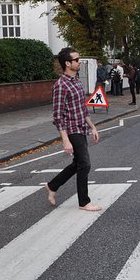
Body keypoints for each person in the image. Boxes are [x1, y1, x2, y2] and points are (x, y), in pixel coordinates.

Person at [45, 47, 102, 212]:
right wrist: (65, 140)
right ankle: (84, 202)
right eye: (76, 60)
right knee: (85, 164)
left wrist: (93, 127)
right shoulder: (60, 86)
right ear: (67, 63)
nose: (79, 62)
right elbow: (58, 116)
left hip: (81, 127)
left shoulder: (77, 81)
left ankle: (52, 185)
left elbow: (82, 109)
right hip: (71, 130)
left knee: (78, 164)